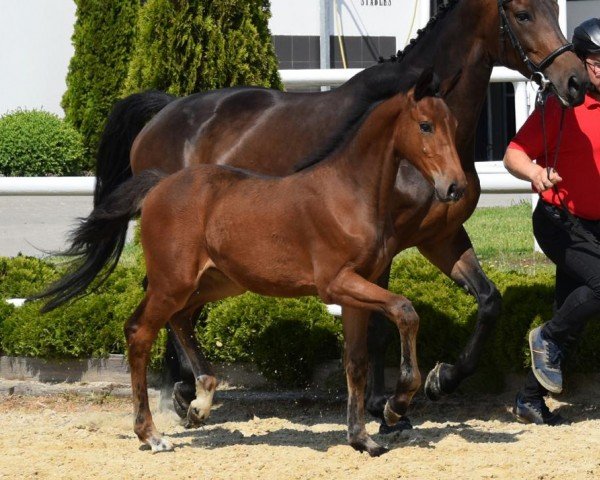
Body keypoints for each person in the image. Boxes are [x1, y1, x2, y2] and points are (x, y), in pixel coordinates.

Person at [503, 18, 600, 425]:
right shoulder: (563, 106)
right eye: (596, 61)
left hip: (594, 228)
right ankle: (546, 337)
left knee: (570, 312)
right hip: (560, 221)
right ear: (580, 61)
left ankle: (528, 399)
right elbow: (514, 153)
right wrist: (536, 175)